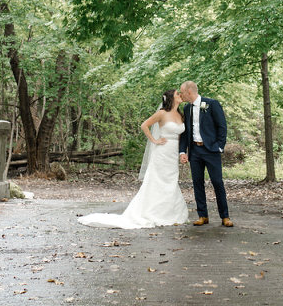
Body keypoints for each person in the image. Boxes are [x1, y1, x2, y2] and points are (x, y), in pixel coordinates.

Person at [77, 89, 189, 229]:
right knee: (157, 181)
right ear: (171, 97)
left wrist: (182, 152)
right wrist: (154, 140)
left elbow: (181, 135)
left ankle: (169, 213)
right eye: (178, 93)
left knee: (171, 181)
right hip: (162, 152)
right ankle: (152, 212)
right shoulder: (162, 113)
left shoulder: (180, 114)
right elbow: (144, 125)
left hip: (173, 153)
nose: (180, 95)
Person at [178, 81, 233, 227]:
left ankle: (225, 216)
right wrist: (183, 151)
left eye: (181, 92)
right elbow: (185, 132)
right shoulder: (187, 108)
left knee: (217, 182)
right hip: (195, 151)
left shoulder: (211, 104)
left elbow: (222, 126)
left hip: (211, 150)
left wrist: (219, 146)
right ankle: (203, 215)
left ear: (189, 92)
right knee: (197, 183)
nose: (180, 95)